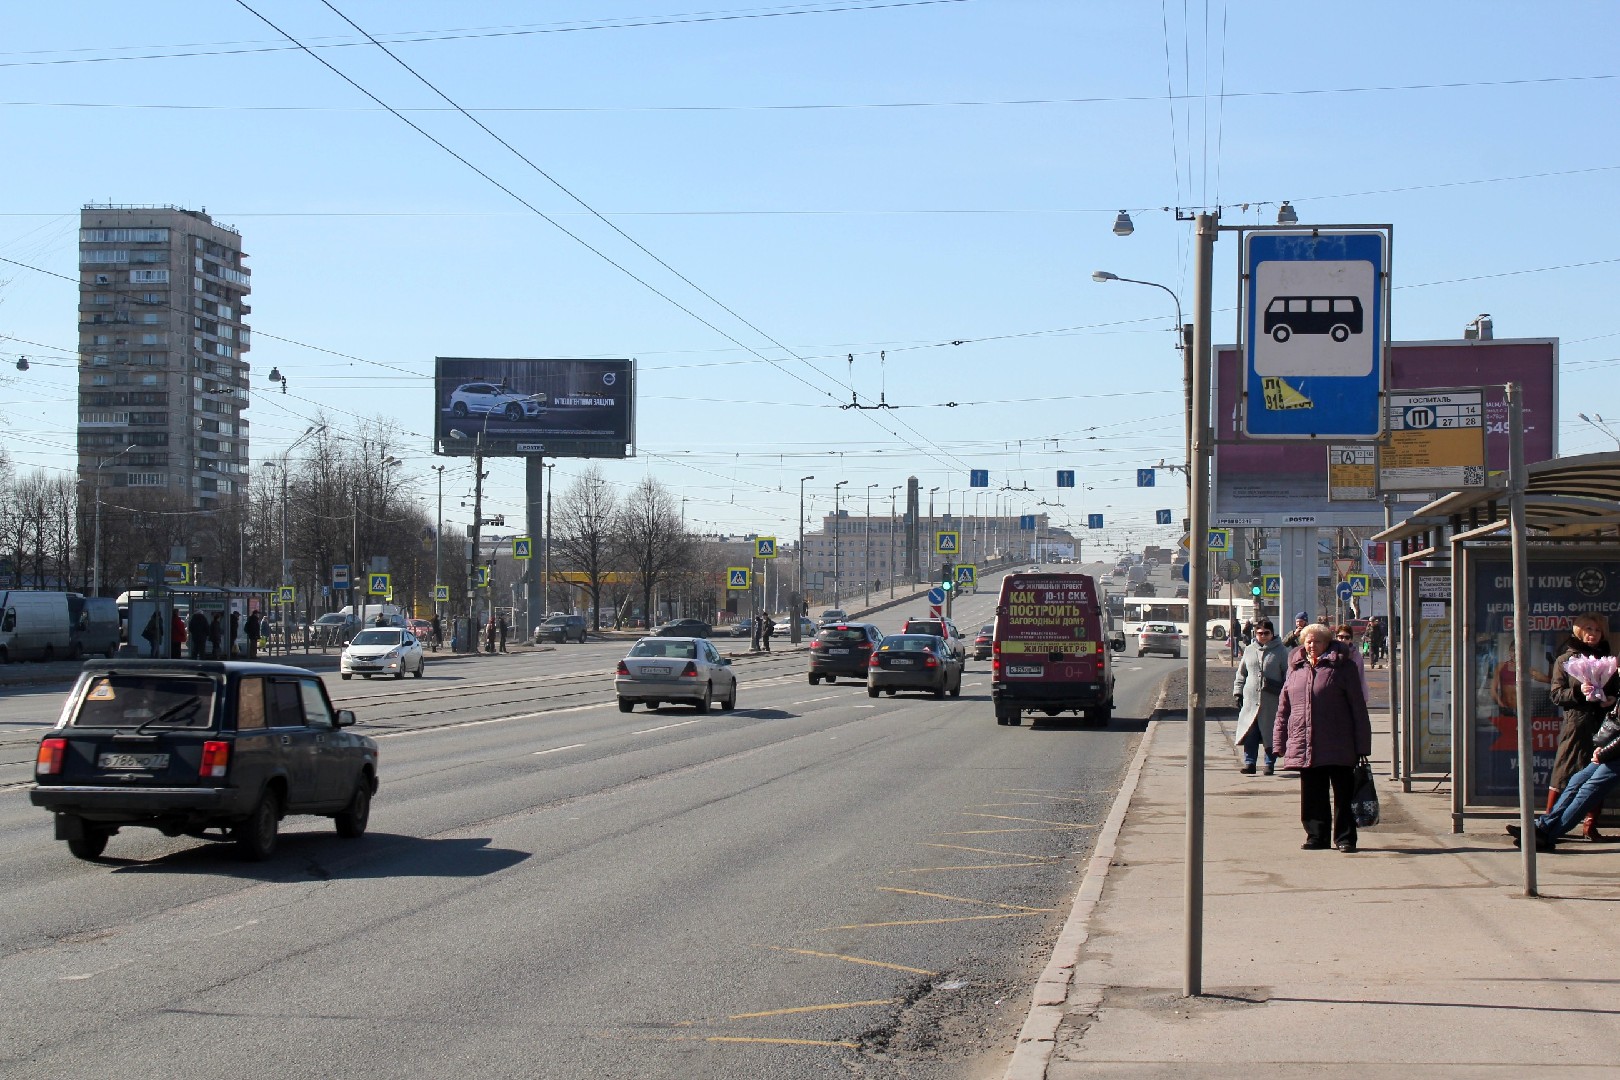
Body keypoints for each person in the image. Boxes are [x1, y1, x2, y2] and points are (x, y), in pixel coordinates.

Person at [1274, 622, 1373, 852]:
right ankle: (1316, 836)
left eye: (1317, 641)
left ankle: (1345, 838)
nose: (1312, 645)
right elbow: (1283, 708)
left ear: (1327, 643)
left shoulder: (1343, 668)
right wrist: (1279, 741)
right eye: (1308, 641)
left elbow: (1358, 707)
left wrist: (1362, 744)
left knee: (1343, 793)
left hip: (1339, 742)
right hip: (1304, 741)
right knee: (1312, 793)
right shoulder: (1296, 668)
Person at [1546, 613, 1620, 841]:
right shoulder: (1565, 660)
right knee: (1565, 772)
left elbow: (1616, 692)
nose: (1593, 634)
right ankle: (1549, 820)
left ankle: (1590, 825)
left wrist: (1609, 699)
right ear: (1578, 631)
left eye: (1597, 630)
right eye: (1588, 629)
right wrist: (1580, 692)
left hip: (1605, 726)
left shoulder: (1608, 659)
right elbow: (1557, 695)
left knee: (1596, 775)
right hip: (1576, 724)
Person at [1510, 710, 1620, 852]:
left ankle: (1548, 836)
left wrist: (1604, 753)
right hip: (1611, 748)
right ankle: (1542, 827)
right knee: (1577, 780)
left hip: (1615, 754)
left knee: (1588, 790)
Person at [1233, 618, 1288, 774]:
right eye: (1259, 633)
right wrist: (1237, 692)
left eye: (1266, 633)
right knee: (1250, 732)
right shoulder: (1250, 650)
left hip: (1272, 701)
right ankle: (1249, 763)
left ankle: (1269, 763)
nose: (1262, 636)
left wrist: (1284, 694)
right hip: (1250, 700)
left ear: (1272, 633)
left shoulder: (1281, 651)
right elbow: (1241, 673)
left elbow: (1288, 675)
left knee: (1270, 732)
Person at [1334, 623, 1371, 703]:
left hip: (1350, 696)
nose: (1343, 640)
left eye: (1347, 637)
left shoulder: (1356, 655)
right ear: (1336, 637)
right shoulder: (1331, 653)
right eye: (1340, 637)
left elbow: (1360, 677)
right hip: (1334, 695)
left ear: (1351, 639)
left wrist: (1363, 696)